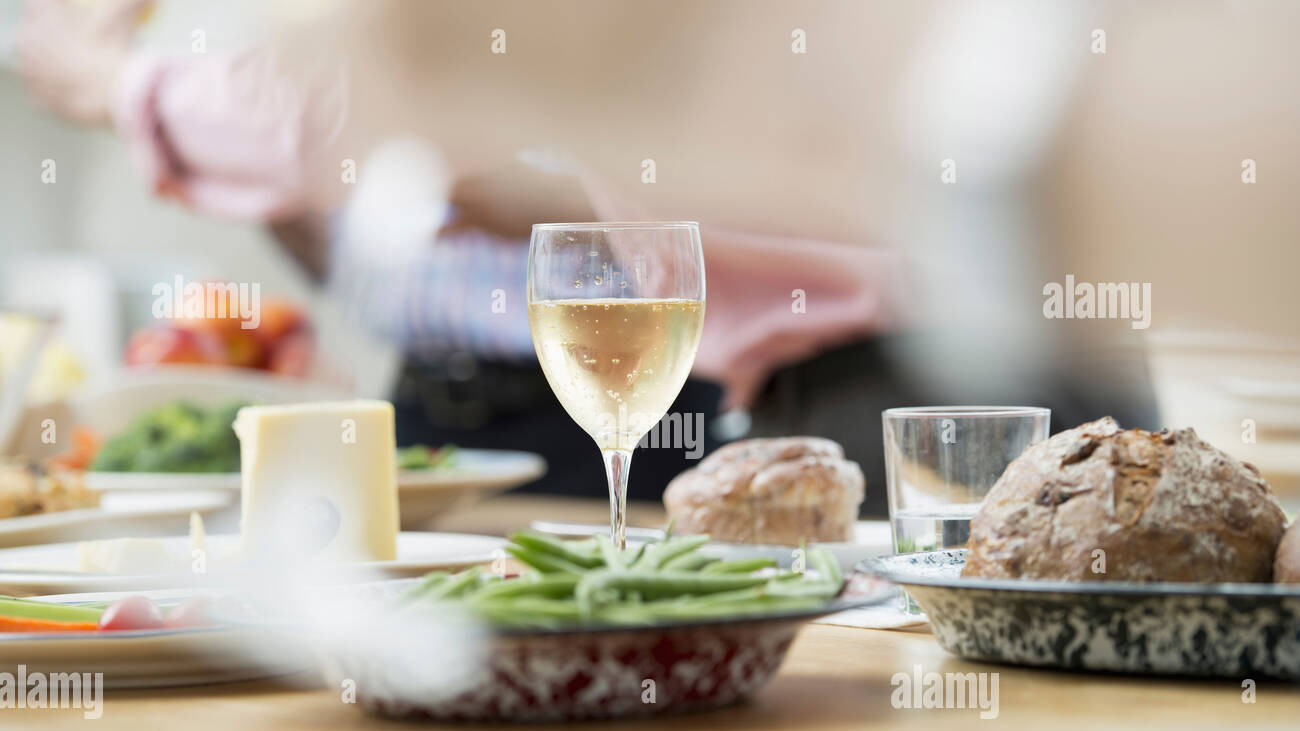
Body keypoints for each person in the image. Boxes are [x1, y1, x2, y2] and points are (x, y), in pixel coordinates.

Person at [17, 0, 1158, 513]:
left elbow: (420, 95)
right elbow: (396, 150)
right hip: (462, 423)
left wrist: (124, 84)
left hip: (819, 394)